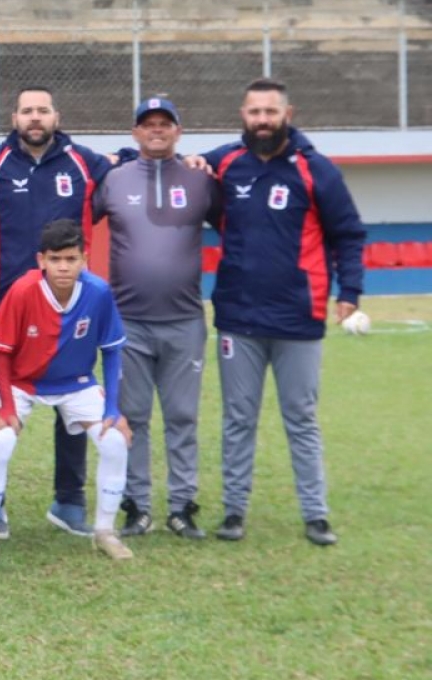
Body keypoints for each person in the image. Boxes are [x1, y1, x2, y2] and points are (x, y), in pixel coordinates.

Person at [203, 78, 365, 547]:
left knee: (301, 417)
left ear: (287, 113)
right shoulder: (225, 163)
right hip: (238, 317)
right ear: (243, 114)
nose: (262, 121)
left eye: (270, 112)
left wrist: (349, 290)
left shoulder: (317, 170)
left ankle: (316, 515)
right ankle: (234, 512)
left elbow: (348, 234)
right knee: (237, 418)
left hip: (299, 319)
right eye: (254, 112)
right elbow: (171, 161)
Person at [0, 86, 114, 538]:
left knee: (72, 395)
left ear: (57, 115)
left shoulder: (86, 163)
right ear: (13, 116)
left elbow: (134, 172)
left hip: (68, 302)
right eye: (27, 111)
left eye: (43, 111)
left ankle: (69, 502)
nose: (35, 118)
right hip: (2, 300)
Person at [94, 96, 218, 539]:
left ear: (178, 131)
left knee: (183, 415)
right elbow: (73, 223)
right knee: (134, 416)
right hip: (129, 321)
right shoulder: (113, 179)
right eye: (149, 124)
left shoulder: (201, 179)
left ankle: (183, 505)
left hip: (184, 321)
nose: (157, 130)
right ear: (135, 132)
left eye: (165, 124)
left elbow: (236, 227)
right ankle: (138, 506)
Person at [0, 219, 132, 562]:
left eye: (70, 259)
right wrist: (5, 406)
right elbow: (0, 351)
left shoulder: (98, 292)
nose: (63, 267)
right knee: (0, 441)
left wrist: (113, 409)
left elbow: (111, 350)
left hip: (76, 383)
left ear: (84, 259)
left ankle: (105, 532)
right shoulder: (22, 291)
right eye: (55, 259)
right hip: (22, 383)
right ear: (41, 260)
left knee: (114, 441)